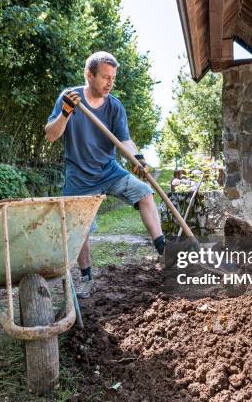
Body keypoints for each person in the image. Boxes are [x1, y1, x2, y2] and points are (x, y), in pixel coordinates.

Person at [45, 51, 165, 298]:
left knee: (144, 192)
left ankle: (164, 251)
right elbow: (51, 134)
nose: (110, 82)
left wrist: (138, 159)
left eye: (113, 78)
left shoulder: (114, 106)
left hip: (109, 171)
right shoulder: (69, 98)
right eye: (105, 77)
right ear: (89, 75)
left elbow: (125, 141)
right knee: (81, 228)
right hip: (79, 176)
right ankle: (87, 278)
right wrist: (65, 112)